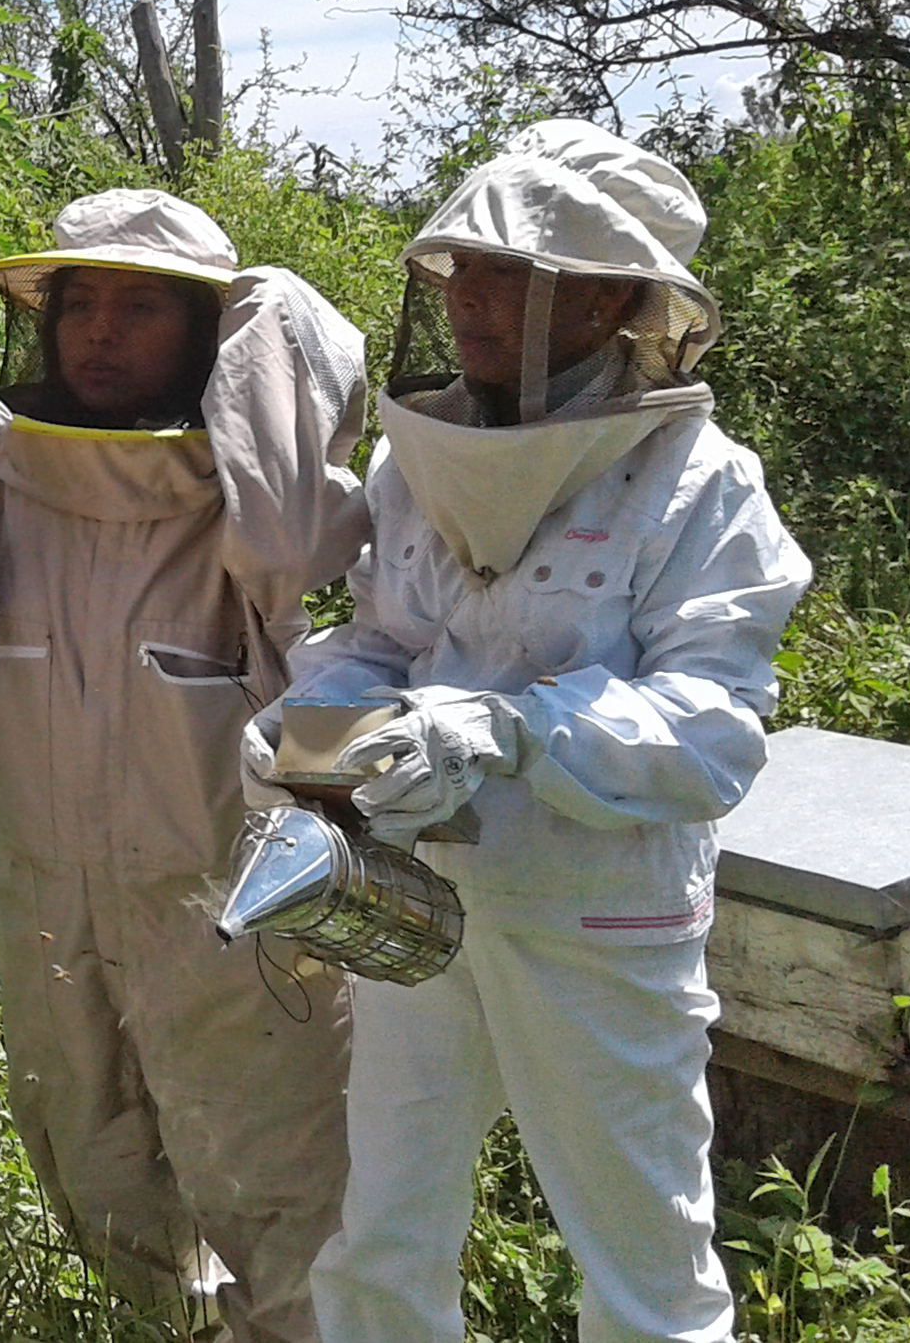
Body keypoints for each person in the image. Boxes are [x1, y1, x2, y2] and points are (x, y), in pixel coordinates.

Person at [247, 120, 812, 1343]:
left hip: (598, 906)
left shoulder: (698, 484)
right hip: (416, 893)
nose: (467, 301)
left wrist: (506, 729)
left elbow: (711, 734)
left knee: (639, 1259)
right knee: (384, 1229)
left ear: (608, 296)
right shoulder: (423, 464)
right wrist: (309, 724)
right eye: (460, 269)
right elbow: (384, 637)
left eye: (507, 274)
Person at [0, 189, 371, 1340]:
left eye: (142, 308)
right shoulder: (4, 484)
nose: (98, 331)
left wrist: (266, 329)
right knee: (95, 1173)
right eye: (81, 302)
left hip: (236, 921)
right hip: (49, 910)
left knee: (283, 1195)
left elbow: (292, 540)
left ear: (205, 336)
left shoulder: (250, 510)